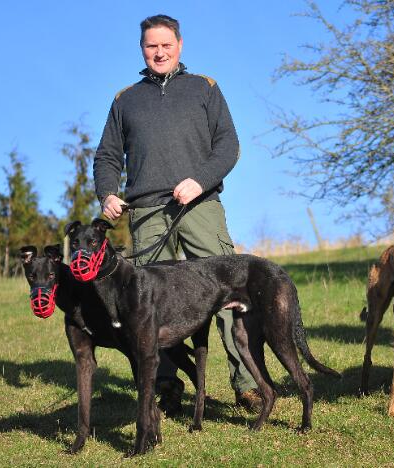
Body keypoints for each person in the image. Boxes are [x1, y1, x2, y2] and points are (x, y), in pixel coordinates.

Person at [94, 14, 261, 413]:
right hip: (148, 213)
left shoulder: (205, 88)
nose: (159, 52)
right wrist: (107, 193)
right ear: (142, 50)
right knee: (150, 305)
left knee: (230, 292)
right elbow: (107, 155)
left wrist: (200, 181)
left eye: (166, 44)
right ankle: (166, 386)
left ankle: (247, 382)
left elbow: (229, 145)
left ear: (180, 45)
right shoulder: (124, 100)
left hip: (200, 206)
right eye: (152, 46)